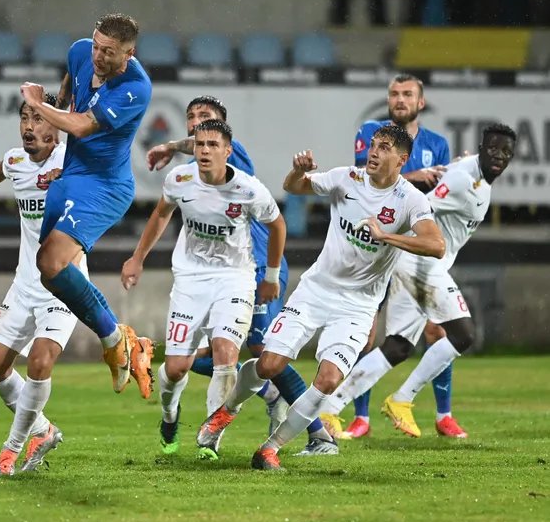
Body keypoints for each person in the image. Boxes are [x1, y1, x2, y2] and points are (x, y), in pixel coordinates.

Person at [196, 125, 446, 471]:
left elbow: (436, 245)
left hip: (358, 306)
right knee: (269, 365)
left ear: (402, 159)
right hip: (316, 291)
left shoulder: (410, 200)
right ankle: (227, 411)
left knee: (328, 380)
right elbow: (293, 187)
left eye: (384, 147)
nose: (373, 152)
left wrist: (387, 237)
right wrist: (298, 171)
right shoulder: (347, 178)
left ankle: (270, 449)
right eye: (373, 145)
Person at [145, 96, 338, 455]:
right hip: (211, 276)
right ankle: (267, 392)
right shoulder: (190, 174)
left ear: (226, 138)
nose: (197, 124)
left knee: (263, 349)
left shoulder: (233, 160)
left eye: (206, 117)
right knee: (209, 356)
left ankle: (318, 432)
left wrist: (170, 146)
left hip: (258, 266)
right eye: (192, 118)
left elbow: (274, 222)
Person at [320, 124, 516, 438]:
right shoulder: (462, 180)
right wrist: (385, 233)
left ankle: (330, 407)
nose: (498, 156)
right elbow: (422, 206)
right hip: (420, 262)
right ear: (482, 148)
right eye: (492, 148)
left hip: (412, 264)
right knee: (463, 334)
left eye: (506, 151)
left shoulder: (472, 173)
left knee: (397, 347)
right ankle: (402, 399)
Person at [122, 120, 287, 457]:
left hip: (234, 278)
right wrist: (137, 258)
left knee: (226, 354)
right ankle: (169, 417)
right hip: (191, 280)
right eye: (200, 144)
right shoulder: (179, 179)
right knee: (176, 368)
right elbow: (160, 214)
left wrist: (271, 276)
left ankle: (211, 439)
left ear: (228, 151)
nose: (205, 150)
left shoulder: (248, 189)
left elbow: (278, 225)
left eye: (213, 145)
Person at [19, 13, 154, 399]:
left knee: (51, 262)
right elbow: (70, 79)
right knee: (47, 270)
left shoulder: (135, 89)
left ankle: (116, 341)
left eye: (108, 52)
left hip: (105, 185)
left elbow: (81, 126)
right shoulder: (80, 51)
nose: (97, 56)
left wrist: (39, 106)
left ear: (128, 54)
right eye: (96, 46)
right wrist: (58, 106)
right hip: (72, 175)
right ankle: (122, 341)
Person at [0, 93, 80, 476]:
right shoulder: (16, 161)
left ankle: (12, 449)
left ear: (56, 124)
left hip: (64, 281)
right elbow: (0, 169)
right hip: (25, 283)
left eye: (39, 118)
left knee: (39, 362)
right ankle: (43, 430)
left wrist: (67, 178)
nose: (29, 126)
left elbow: (98, 177)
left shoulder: (71, 160)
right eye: (25, 118)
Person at [346, 73, 455, 438]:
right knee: (365, 334)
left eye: (408, 94)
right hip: (375, 247)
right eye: (394, 93)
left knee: (438, 329)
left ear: (421, 102)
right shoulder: (372, 132)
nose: (400, 99)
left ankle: (443, 415)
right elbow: (369, 177)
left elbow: (439, 199)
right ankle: (360, 418)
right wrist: (416, 175)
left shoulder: (437, 144)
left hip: (412, 250)